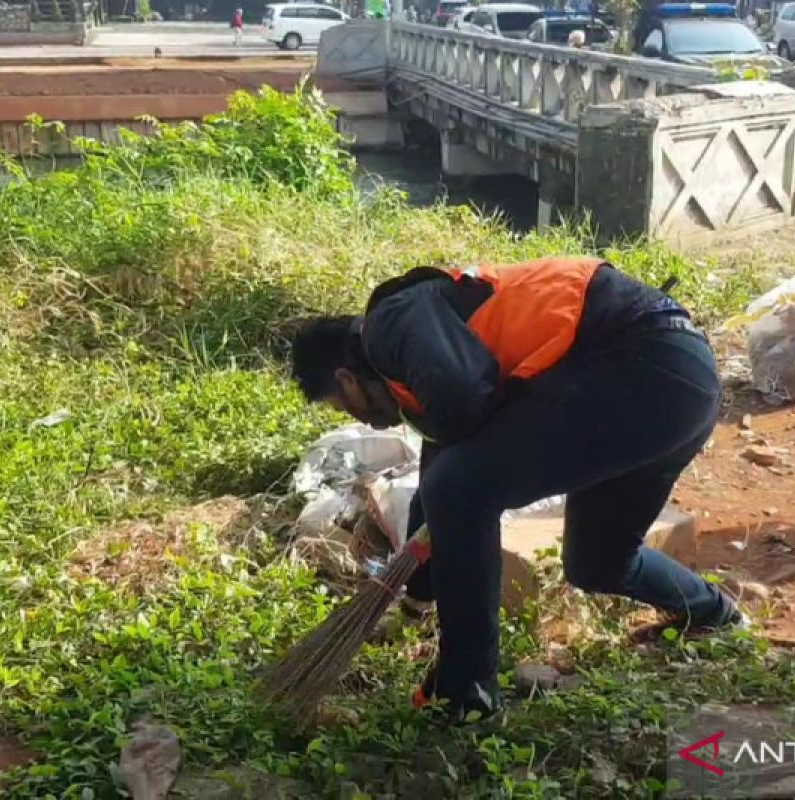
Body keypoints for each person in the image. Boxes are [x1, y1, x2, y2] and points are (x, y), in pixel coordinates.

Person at [289, 257, 743, 722]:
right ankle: (715, 612)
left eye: (346, 407)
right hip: (681, 386)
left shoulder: (391, 323)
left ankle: (466, 693)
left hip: (638, 359)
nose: (363, 421)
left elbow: (462, 421)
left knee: (459, 488)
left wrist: (456, 477)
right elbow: (439, 476)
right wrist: (414, 597)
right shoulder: (429, 359)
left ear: (345, 379)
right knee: (597, 563)